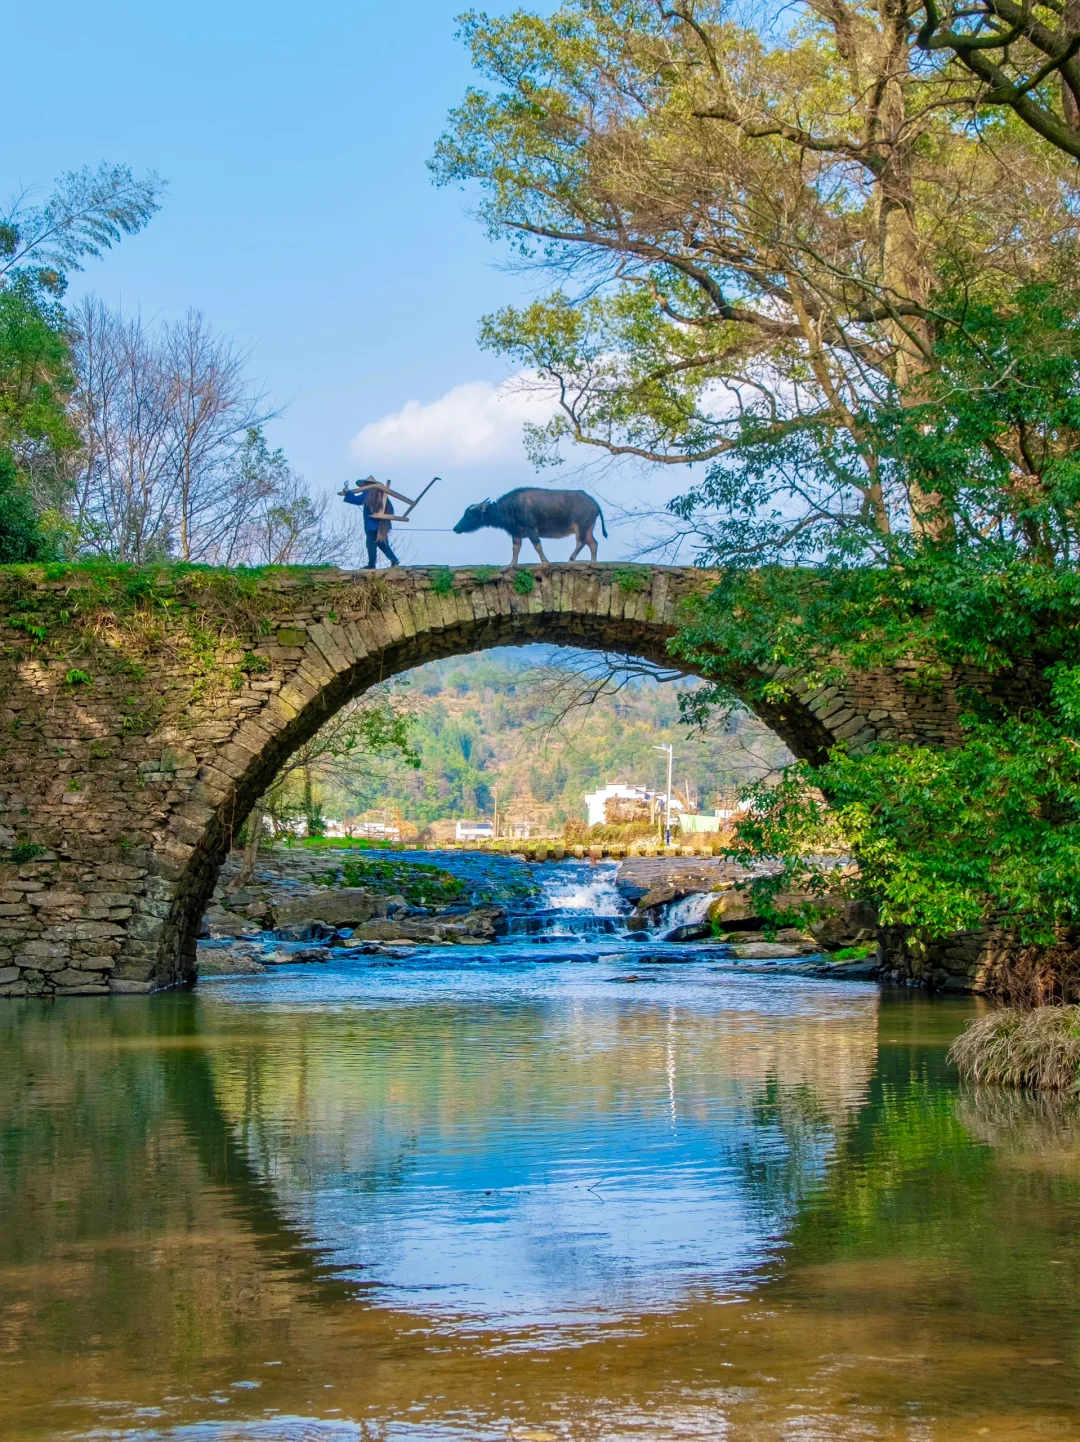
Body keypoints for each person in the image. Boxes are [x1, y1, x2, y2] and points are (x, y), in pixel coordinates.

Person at [342, 477, 400, 569]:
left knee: (371, 544)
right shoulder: (381, 494)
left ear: (367, 484)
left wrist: (347, 492)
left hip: (372, 525)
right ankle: (394, 560)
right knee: (382, 543)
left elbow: (357, 500)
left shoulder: (369, 492)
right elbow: (390, 509)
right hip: (382, 525)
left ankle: (371, 564)